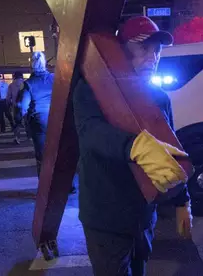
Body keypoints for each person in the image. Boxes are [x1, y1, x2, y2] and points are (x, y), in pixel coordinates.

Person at [73, 16, 192, 275]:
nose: (153, 56)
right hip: (105, 216)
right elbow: (91, 132)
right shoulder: (92, 89)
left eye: (157, 50)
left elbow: (170, 151)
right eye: (144, 48)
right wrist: (134, 146)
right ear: (121, 50)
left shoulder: (159, 98)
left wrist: (183, 201)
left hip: (143, 215)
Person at [20, 52, 55, 177]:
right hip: (56, 119)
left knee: (42, 155)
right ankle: (69, 185)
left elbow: (23, 107)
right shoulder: (54, 78)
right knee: (60, 153)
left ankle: (44, 186)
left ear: (32, 65)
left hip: (39, 122)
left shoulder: (29, 83)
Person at [7, 71, 25, 144]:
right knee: (27, 122)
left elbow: (8, 97)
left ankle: (17, 138)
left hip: (16, 107)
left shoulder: (11, 85)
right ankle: (30, 137)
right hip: (25, 106)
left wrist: (9, 105)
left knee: (17, 123)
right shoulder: (26, 84)